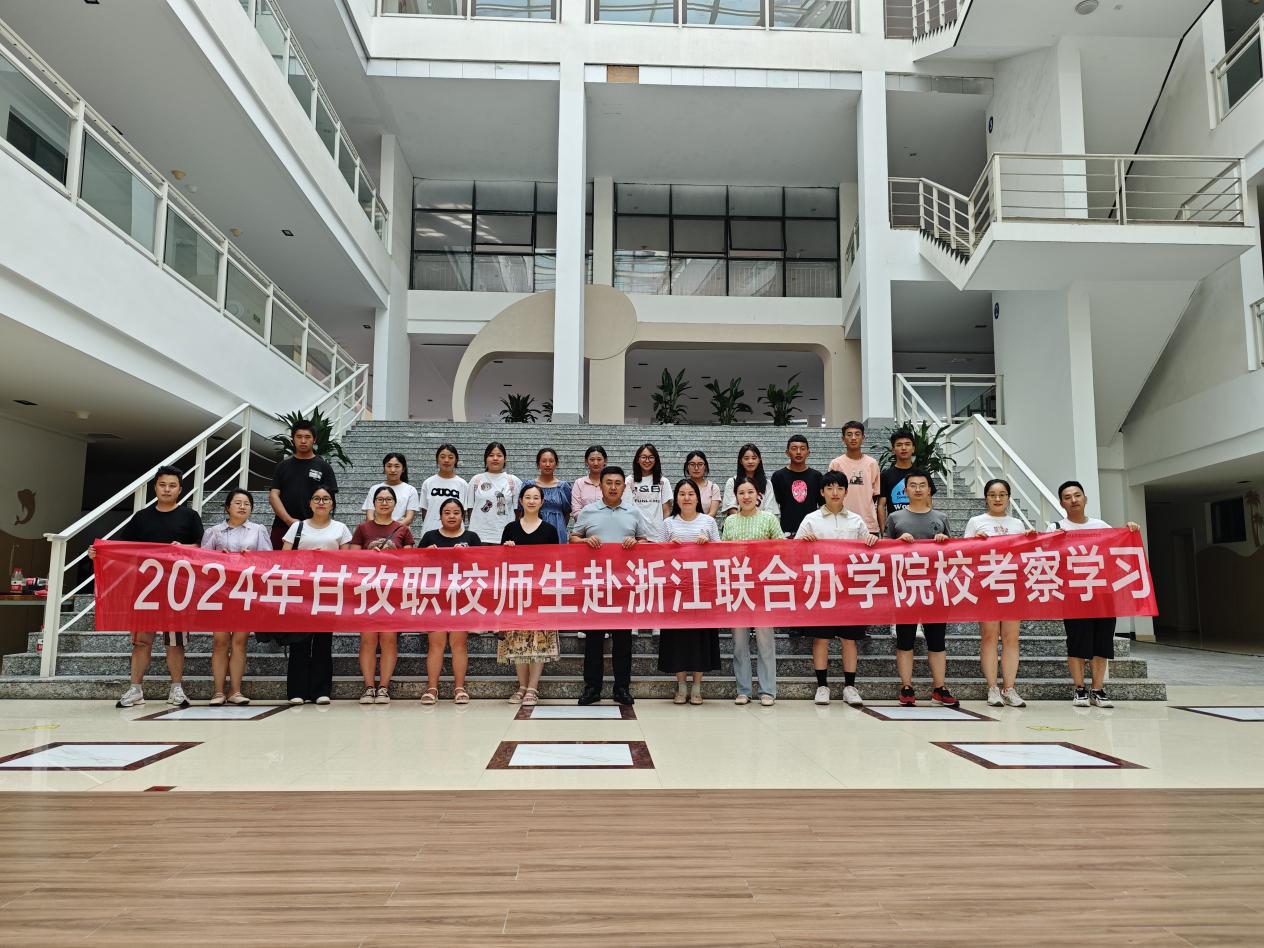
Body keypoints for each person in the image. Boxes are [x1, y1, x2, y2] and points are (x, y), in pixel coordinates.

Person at [99, 466, 205, 709]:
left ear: (180, 489)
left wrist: (184, 548)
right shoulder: (141, 517)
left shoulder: (190, 516)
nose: (167, 489)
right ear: (155, 487)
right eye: (162, 485)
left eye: (172, 485)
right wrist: (100, 551)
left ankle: (176, 688)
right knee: (141, 641)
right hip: (145, 589)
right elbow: (122, 548)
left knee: (175, 642)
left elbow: (202, 547)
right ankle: (135, 689)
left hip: (177, 589)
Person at [1048, 480, 1141, 709]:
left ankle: (1098, 690)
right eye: (1067, 497)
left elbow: (1118, 548)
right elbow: (1047, 559)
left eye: (1077, 495)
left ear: (1085, 498)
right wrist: (1054, 541)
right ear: (1061, 503)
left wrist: (1129, 530)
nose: (1073, 500)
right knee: (1077, 642)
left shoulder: (1101, 525)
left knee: (1102, 642)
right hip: (1074, 594)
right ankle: (1079, 689)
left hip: (1102, 592)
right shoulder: (1056, 528)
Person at [795, 471, 879, 708]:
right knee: (821, 639)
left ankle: (850, 687)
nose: (835, 492)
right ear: (822, 492)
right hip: (821, 589)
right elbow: (794, 552)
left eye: (840, 488)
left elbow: (869, 549)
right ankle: (822, 686)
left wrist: (872, 541)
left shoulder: (856, 520)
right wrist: (803, 542)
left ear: (846, 492)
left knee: (849, 640)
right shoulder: (811, 519)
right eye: (830, 488)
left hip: (850, 591)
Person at [570, 466, 650, 705]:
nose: (613, 487)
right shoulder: (588, 511)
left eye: (617, 483)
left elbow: (645, 542)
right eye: (608, 482)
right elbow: (572, 539)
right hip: (595, 585)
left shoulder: (633, 512)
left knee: (623, 640)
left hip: (623, 585)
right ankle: (592, 688)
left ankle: (622, 688)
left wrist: (635, 543)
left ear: (624, 487)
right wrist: (585, 541)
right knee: (593, 640)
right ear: (601, 485)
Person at [885, 470, 957, 707]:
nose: (917, 489)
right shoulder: (895, 518)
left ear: (929, 489)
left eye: (922, 485)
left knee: (937, 640)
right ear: (905, 490)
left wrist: (944, 543)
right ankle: (906, 687)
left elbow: (954, 552)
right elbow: (885, 552)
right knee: (905, 640)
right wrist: (898, 543)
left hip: (936, 588)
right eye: (913, 485)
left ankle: (940, 688)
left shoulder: (941, 517)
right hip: (906, 587)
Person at [964, 479, 1037, 708]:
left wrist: (1031, 539)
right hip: (987, 586)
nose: (997, 498)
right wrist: (975, 542)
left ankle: (1009, 688)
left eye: (1002, 494)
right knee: (989, 636)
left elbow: (1025, 554)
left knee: (1011, 637)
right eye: (993, 494)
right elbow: (963, 553)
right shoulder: (976, 522)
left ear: (1008, 498)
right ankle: (992, 688)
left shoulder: (1017, 523)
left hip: (1012, 586)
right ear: (986, 497)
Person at [200, 488, 271, 706]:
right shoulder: (214, 532)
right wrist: (216, 557)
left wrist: (254, 558)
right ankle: (218, 691)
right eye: (237, 503)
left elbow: (269, 561)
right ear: (227, 507)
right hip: (219, 592)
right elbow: (201, 562)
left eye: (247, 504)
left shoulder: (258, 530)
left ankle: (235, 690)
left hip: (246, 591)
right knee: (220, 641)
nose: (242, 507)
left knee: (240, 641)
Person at [281, 486, 351, 706]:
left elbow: (348, 561)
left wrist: (327, 558)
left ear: (332, 504)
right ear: (310, 503)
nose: (321, 502)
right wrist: (307, 558)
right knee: (299, 642)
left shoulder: (341, 528)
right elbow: (284, 558)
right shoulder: (297, 527)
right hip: (300, 591)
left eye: (326, 499)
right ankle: (297, 690)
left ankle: (321, 690)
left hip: (327, 592)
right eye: (317, 498)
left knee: (323, 641)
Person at [349, 486, 416, 704]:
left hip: (393, 592)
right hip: (367, 591)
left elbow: (410, 562)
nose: (384, 503)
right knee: (368, 640)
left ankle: (384, 687)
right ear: (374, 503)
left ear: (395, 504)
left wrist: (392, 556)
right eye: (380, 499)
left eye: (388, 499)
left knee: (389, 640)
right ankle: (369, 687)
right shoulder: (362, 528)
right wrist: (370, 554)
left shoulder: (402, 530)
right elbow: (352, 559)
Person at [658, 480, 721, 705]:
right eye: (682, 494)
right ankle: (681, 685)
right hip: (676, 590)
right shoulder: (668, 523)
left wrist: (708, 545)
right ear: (676, 498)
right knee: (677, 639)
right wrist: (669, 547)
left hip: (701, 590)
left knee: (699, 638)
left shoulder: (708, 522)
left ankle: (697, 686)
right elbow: (657, 556)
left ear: (697, 498)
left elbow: (721, 553)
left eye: (691, 494)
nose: (686, 498)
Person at [721, 477, 782, 706]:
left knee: (765, 642)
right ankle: (743, 690)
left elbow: (781, 548)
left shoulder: (768, 519)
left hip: (763, 588)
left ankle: (767, 690)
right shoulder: (730, 522)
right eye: (741, 493)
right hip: (738, 588)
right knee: (739, 643)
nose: (746, 497)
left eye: (750, 492)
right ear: (735, 497)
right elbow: (722, 554)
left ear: (758, 495)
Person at [498, 484, 560, 706]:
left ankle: (533, 688)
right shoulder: (510, 528)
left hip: (540, 592)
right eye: (527, 497)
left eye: (536, 497)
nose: (531, 501)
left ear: (542, 502)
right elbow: (500, 562)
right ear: (521, 501)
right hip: (516, 592)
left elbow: (555, 562)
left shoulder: (550, 530)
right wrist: (506, 549)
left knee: (539, 640)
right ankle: (521, 686)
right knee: (517, 640)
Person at [418, 498, 483, 705]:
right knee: (435, 644)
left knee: (459, 644)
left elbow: (483, 567)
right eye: (447, 512)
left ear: (463, 515)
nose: (452, 516)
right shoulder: (429, 537)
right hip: (435, 598)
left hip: (462, 599)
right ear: (440, 516)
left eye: (456, 512)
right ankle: (432, 688)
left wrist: (467, 556)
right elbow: (414, 566)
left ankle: (460, 687)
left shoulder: (471, 538)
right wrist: (426, 555)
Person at [268, 420, 338, 550]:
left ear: (314, 440)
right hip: (283, 526)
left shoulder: (324, 467)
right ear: (293, 440)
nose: (303, 441)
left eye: (307, 437)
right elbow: (273, 496)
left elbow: (330, 499)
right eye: (299, 437)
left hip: (314, 529)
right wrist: (289, 520)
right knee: (279, 561)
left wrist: (318, 525)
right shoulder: (282, 466)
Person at [828, 420, 880, 533]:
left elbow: (875, 494)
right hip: (841, 523)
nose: (853, 438)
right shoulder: (836, 464)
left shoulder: (872, 463)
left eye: (857, 434)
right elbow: (830, 493)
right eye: (849, 434)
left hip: (868, 524)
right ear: (843, 439)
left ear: (863, 437)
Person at [468, 442, 523, 545]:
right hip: (479, 536)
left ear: (505, 459)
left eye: (499, 455)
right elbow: (470, 508)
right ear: (485, 458)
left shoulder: (513, 481)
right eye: (491, 455)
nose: (495, 458)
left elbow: (518, 511)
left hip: (505, 537)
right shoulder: (476, 480)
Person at [878, 428, 931, 534]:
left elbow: (928, 503)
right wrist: (884, 531)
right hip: (896, 528)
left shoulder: (923, 475)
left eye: (907, 444)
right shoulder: (885, 475)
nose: (903, 448)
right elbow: (881, 505)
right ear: (893, 450)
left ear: (913, 448)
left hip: (920, 527)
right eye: (899, 445)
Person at [771, 434, 823, 538]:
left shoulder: (816, 476)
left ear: (808, 452)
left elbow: (822, 505)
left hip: (811, 532)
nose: (798, 452)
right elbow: (774, 506)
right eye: (794, 448)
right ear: (787, 452)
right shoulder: (778, 476)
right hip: (786, 531)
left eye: (802, 448)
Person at [418, 443, 470, 536]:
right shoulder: (428, 483)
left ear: (456, 460)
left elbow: (463, 513)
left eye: (450, 457)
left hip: (455, 535)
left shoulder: (463, 484)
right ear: (437, 459)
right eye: (442, 457)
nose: (446, 460)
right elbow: (424, 511)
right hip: (431, 532)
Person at [361, 452, 419, 529]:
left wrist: (390, 529)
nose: (392, 470)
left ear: (403, 469)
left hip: (400, 531)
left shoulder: (410, 490)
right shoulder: (374, 489)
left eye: (397, 466)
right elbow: (369, 516)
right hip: (376, 530)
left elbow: (409, 518)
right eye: (389, 466)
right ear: (384, 468)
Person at [526, 447, 573, 542]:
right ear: (538, 464)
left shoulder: (563, 487)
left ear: (556, 464)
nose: (547, 464)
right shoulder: (529, 486)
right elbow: (522, 511)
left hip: (558, 530)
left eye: (551, 461)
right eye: (544, 461)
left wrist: (560, 525)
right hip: (533, 529)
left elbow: (567, 512)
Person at [721, 443, 780, 518]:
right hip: (738, 523)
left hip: (762, 523)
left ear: (759, 460)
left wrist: (757, 522)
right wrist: (745, 522)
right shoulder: (732, 482)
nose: (750, 461)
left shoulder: (767, 483)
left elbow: (770, 509)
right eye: (746, 458)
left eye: (754, 458)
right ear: (741, 461)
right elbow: (731, 508)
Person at [628, 443, 672, 542]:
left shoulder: (663, 481)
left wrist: (665, 535)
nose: (647, 461)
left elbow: (666, 511)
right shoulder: (630, 481)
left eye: (651, 457)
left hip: (658, 536)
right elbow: (627, 509)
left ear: (656, 460)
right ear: (637, 459)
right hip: (636, 537)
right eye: (643, 457)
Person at [683, 451, 721, 518]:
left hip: (706, 524)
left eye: (700, 464)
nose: (696, 468)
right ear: (687, 466)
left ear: (705, 466)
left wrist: (699, 523)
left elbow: (712, 513)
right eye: (692, 464)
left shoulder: (713, 488)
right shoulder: (682, 487)